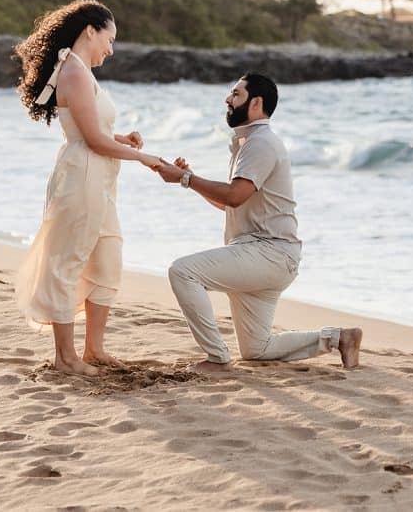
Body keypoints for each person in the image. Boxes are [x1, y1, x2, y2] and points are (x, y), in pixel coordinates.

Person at [153, 73, 362, 373]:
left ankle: (216, 358)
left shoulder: (261, 143)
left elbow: (235, 196)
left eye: (236, 94)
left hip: (269, 254)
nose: (227, 99)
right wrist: (187, 180)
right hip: (264, 256)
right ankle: (338, 339)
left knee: (183, 272)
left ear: (256, 103)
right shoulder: (248, 142)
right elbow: (231, 203)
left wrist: (186, 177)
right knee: (256, 349)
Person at [14, 0, 161, 377]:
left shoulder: (81, 70)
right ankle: (66, 358)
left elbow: (95, 131)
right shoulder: (75, 72)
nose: (110, 50)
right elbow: (92, 141)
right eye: (109, 40)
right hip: (81, 177)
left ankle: (94, 349)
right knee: (67, 261)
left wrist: (123, 138)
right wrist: (144, 159)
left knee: (107, 256)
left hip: (99, 178)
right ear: (90, 31)